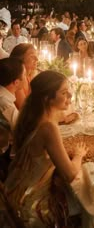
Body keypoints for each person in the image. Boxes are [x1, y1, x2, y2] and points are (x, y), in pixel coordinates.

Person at [5, 71, 87, 227]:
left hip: (14, 189)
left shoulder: (34, 115)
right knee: (82, 203)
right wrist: (78, 155)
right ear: (47, 98)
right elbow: (70, 174)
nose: (70, 95)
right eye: (64, 92)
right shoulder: (48, 128)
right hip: (28, 203)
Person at [10, 43, 38, 110]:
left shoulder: (30, 75)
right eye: (32, 56)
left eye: (37, 56)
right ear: (20, 59)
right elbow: (25, 109)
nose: (37, 59)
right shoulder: (16, 81)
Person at [0, 58, 26, 129]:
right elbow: (21, 130)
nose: (25, 78)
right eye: (24, 75)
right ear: (16, 82)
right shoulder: (5, 103)